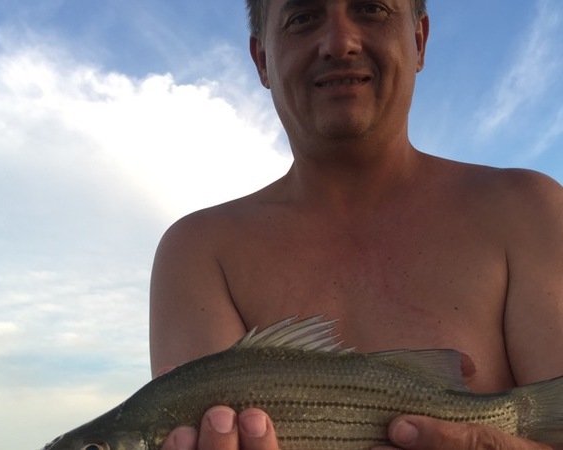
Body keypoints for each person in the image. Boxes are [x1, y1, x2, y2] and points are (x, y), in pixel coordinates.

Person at [149, 0, 563, 448]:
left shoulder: (530, 211)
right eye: (302, 18)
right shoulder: (198, 252)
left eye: (372, 9)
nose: (340, 43)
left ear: (419, 41)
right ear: (262, 59)